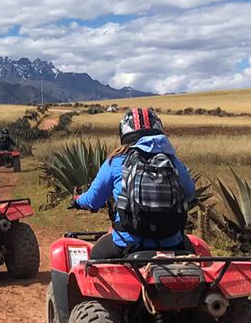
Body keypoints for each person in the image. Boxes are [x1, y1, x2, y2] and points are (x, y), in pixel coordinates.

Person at [70, 108, 195, 259]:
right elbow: (189, 194)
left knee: (95, 257)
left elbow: (93, 199)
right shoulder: (173, 161)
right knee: (195, 257)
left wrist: (78, 201)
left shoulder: (116, 161)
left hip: (127, 244)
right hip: (172, 243)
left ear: (124, 133)